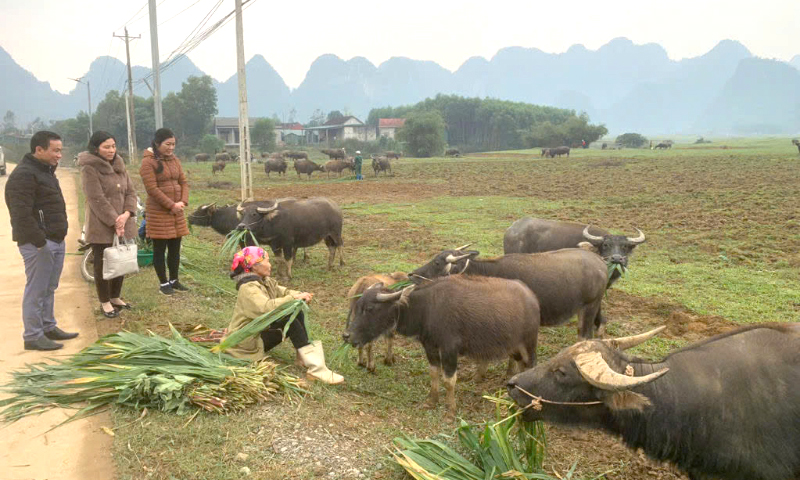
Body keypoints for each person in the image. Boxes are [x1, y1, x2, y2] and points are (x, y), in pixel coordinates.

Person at [223, 246, 344, 384]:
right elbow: (266, 308)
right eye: (267, 261)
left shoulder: (264, 281)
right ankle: (316, 369)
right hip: (245, 343)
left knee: (295, 312)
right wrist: (294, 299)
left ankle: (302, 359)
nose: (270, 264)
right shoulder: (248, 288)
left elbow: (284, 291)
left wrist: (297, 296)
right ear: (254, 266)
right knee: (289, 321)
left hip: (257, 334)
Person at [4, 131, 78, 351]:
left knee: (49, 287)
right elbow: (21, 214)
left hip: (55, 239)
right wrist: (39, 242)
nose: (59, 155)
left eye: (60, 150)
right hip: (39, 244)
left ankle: (48, 326)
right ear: (39, 150)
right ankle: (33, 335)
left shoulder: (45, 171)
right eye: (55, 150)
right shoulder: (25, 175)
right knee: (36, 290)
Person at [77, 131, 138, 318]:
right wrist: (115, 220)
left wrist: (126, 214)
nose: (111, 150)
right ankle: (104, 301)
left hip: (123, 220)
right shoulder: (89, 168)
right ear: (96, 149)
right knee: (102, 263)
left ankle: (115, 296)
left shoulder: (120, 165)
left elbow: (131, 192)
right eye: (106, 147)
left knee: (120, 259)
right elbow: (96, 198)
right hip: (101, 223)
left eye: (113, 146)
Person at [139, 128, 190, 295]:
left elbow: (183, 182)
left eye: (173, 144)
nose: (171, 148)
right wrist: (171, 205)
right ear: (157, 144)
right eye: (167, 144)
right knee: (160, 249)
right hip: (159, 212)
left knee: (175, 248)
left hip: (176, 211)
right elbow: (152, 189)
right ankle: (163, 283)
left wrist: (183, 201)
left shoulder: (175, 160)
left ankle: (174, 280)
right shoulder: (148, 162)